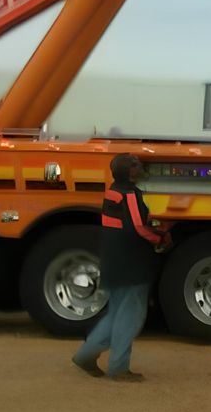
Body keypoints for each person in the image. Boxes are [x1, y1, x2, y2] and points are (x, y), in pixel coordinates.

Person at [72, 154, 168, 382]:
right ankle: (118, 368)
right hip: (132, 262)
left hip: (114, 259)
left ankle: (86, 355)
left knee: (116, 313)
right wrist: (161, 238)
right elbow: (139, 228)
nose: (140, 166)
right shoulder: (131, 195)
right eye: (136, 164)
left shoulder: (112, 191)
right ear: (130, 172)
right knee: (131, 316)